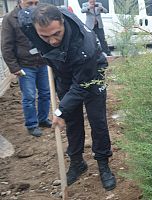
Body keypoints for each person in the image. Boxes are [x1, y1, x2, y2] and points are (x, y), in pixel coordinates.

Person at [18, 4, 116, 190]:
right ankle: (77, 162)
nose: (52, 40)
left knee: (98, 122)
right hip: (63, 73)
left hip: (91, 75)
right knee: (72, 121)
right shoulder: (27, 21)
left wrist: (59, 110)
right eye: (45, 36)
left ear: (63, 23)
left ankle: (103, 164)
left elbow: (81, 87)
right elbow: (23, 14)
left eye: (57, 34)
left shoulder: (84, 44)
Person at [1, 0, 51, 137]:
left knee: (45, 93)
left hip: (42, 62)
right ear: (21, 1)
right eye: (30, 3)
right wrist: (13, 67)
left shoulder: (40, 13)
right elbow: (6, 46)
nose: (34, 6)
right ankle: (31, 124)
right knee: (29, 96)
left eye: (36, 2)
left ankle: (43, 119)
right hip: (25, 65)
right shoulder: (10, 18)